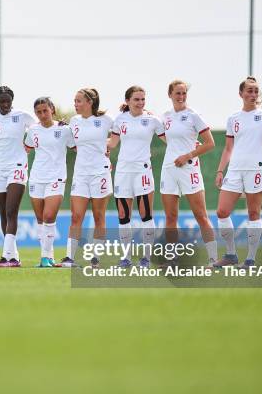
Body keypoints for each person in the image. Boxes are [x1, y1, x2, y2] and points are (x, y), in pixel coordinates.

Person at [214, 76, 262, 268]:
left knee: (253, 213)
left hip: (256, 170)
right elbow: (228, 148)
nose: (253, 94)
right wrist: (219, 170)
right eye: (249, 90)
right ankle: (231, 255)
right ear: (241, 94)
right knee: (222, 211)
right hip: (234, 170)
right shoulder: (233, 118)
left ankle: (250, 259)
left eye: (256, 91)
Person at [159, 80, 217, 266]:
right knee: (170, 217)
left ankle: (213, 259)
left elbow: (210, 143)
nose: (181, 97)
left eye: (184, 93)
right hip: (168, 169)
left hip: (189, 169)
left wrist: (188, 154)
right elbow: (169, 139)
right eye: (178, 93)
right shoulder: (165, 116)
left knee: (201, 215)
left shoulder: (194, 116)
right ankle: (171, 258)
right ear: (170, 94)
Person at [108, 86, 165, 268]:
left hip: (143, 172)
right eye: (136, 99)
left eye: (142, 99)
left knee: (145, 215)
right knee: (123, 215)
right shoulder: (119, 120)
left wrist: (189, 145)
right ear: (128, 101)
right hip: (123, 172)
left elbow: (170, 140)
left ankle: (146, 259)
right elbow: (113, 143)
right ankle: (125, 258)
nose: (140, 103)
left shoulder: (152, 120)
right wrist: (92, 142)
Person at [61, 88, 114, 267]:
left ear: (90, 102)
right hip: (80, 174)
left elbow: (124, 131)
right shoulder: (74, 122)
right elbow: (73, 144)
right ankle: (69, 257)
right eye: (74, 101)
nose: (75, 104)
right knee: (76, 216)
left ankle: (97, 258)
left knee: (99, 216)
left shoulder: (106, 120)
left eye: (79, 101)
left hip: (100, 173)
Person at [24, 97, 75, 267]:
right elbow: (27, 149)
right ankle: (48, 256)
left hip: (56, 177)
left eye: (45, 110)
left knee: (49, 216)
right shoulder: (32, 130)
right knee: (40, 219)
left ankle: (45, 257)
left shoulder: (64, 130)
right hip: (37, 177)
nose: (42, 114)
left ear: (52, 109)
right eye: (38, 112)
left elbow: (77, 147)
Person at [0, 86, 36, 268]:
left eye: (8, 101)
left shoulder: (22, 115)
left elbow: (39, 127)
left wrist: (29, 145)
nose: (5, 104)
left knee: (11, 210)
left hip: (17, 166)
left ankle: (6, 256)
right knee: (3, 213)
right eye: (2, 101)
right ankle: (13, 256)